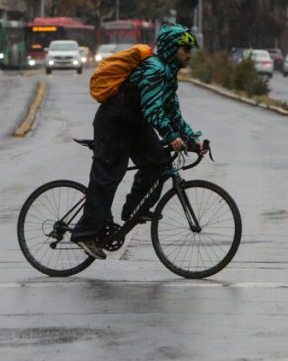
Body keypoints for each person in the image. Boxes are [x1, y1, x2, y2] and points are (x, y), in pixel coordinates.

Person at [70, 23, 205, 259]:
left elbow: (172, 113)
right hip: (114, 123)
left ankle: (134, 208)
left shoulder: (168, 74)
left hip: (135, 125)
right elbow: (153, 109)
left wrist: (193, 141)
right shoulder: (154, 69)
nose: (189, 55)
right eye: (185, 49)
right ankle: (85, 233)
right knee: (108, 177)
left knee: (158, 161)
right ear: (173, 48)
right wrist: (171, 135)